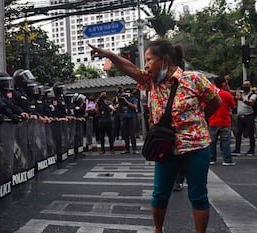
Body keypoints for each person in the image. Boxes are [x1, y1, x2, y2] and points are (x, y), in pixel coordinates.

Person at [89, 40, 221, 233]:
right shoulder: (150, 82)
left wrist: (198, 122)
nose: (146, 65)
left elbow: (215, 102)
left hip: (196, 147)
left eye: (149, 59)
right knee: (159, 194)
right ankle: (158, 230)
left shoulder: (194, 79)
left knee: (198, 195)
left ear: (165, 60)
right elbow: (130, 69)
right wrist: (109, 55)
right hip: (164, 148)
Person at [209, 76, 236, 165]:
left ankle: (212, 159)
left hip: (213, 121)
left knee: (212, 142)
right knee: (225, 141)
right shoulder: (227, 94)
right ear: (224, 83)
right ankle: (227, 160)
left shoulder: (210, 94)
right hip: (225, 121)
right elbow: (233, 106)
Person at [232, 80, 257, 156]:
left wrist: (242, 99)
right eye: (244, 85)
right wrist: (226, 82)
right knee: (238, 133)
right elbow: (228, 90)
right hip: (240, 116)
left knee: (250, 133)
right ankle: (237, 150)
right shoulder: (240, 93)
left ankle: (251, 150)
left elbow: (251, 102)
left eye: (247, 85)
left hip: (249, 116)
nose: (245, 87)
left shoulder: (253, 95)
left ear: (250, 86)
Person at [119, 88, 139, 154]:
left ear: (130, 93)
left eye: (128, 92)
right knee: (125, 135)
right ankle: (127, 149)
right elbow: (119, 108)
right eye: (125, 92)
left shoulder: (133, 99)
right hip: (124, 118)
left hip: (131, 118)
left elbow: (135, 107)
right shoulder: (122, 100)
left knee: (132, 135)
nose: (126, 94)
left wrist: (126, 101)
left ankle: (134, 149)